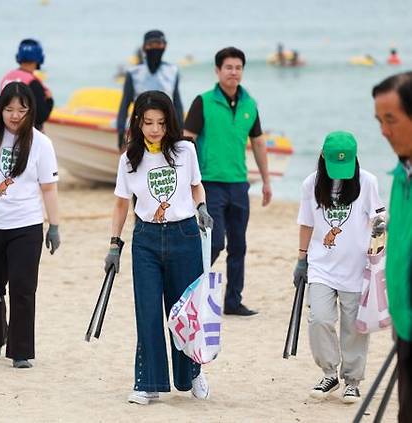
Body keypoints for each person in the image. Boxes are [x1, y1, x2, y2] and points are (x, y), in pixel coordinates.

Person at [105, 90, 214, 405]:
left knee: (184, 313)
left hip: (185, 236)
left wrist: (202, 206)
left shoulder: (185, 151)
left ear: (171, 123)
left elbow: (196, 185)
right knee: (149, 312)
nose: (155, 129)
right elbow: (121, 204)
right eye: (148, 122)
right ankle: (147, 382)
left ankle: (193, 372)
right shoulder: (129, 159)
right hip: (146, 240)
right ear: (137, 122)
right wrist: (114, 245)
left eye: (161, 123)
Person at [0, 82, 60, 369]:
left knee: (23, 288)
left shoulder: (41, 143)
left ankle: (20, 351)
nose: (15, 115)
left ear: (31, 111)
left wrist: (54, 226)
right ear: (0, 110)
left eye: (21, 110)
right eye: (9, 109)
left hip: (27, 225)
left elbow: (49, 188)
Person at [294, 131, 385, 404]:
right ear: (323, 156)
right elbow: (307, 223)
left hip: (357, 268)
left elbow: (378, 217)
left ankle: (352, 381)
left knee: (353, 327)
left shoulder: (367, 182)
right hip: (321, 265)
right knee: (319, 319)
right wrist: (301, 260)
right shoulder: (311, 184)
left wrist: (379, 241)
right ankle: (329, 373)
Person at [183, 46, 272, 317]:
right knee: (214, 242)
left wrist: (266, 180)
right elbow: (187, 141)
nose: (234, 72)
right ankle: (189, 288)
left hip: (239, 184)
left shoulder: (250, 104)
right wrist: (187, 181)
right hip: (210, 183)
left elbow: (257, 143)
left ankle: (233, 301)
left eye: (238, 68)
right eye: (228, 67)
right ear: (217, 71)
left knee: (239, 245)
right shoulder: (203, 101)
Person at [372, 71, 412, 422]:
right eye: (379, 121)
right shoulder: (402, 175)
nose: (384, 131)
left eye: (391, 120)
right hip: (405, 326)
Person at [116, 30, 184, 150]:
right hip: (139, 130)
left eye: (159, 44)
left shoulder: (172, 71)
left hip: (166, 128)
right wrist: (121, 132)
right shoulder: (134, 73)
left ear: (165, 46)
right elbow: (125, 104)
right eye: (151, 44)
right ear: (144, 47)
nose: (155, 48)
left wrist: (180, 131)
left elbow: (177, 104)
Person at [0, 39, 53, 131]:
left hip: (5, 129)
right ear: (40, 59)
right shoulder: (33, 83)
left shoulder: (7, 77)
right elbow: (41, 116)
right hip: (26, 134)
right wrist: (50, 100)